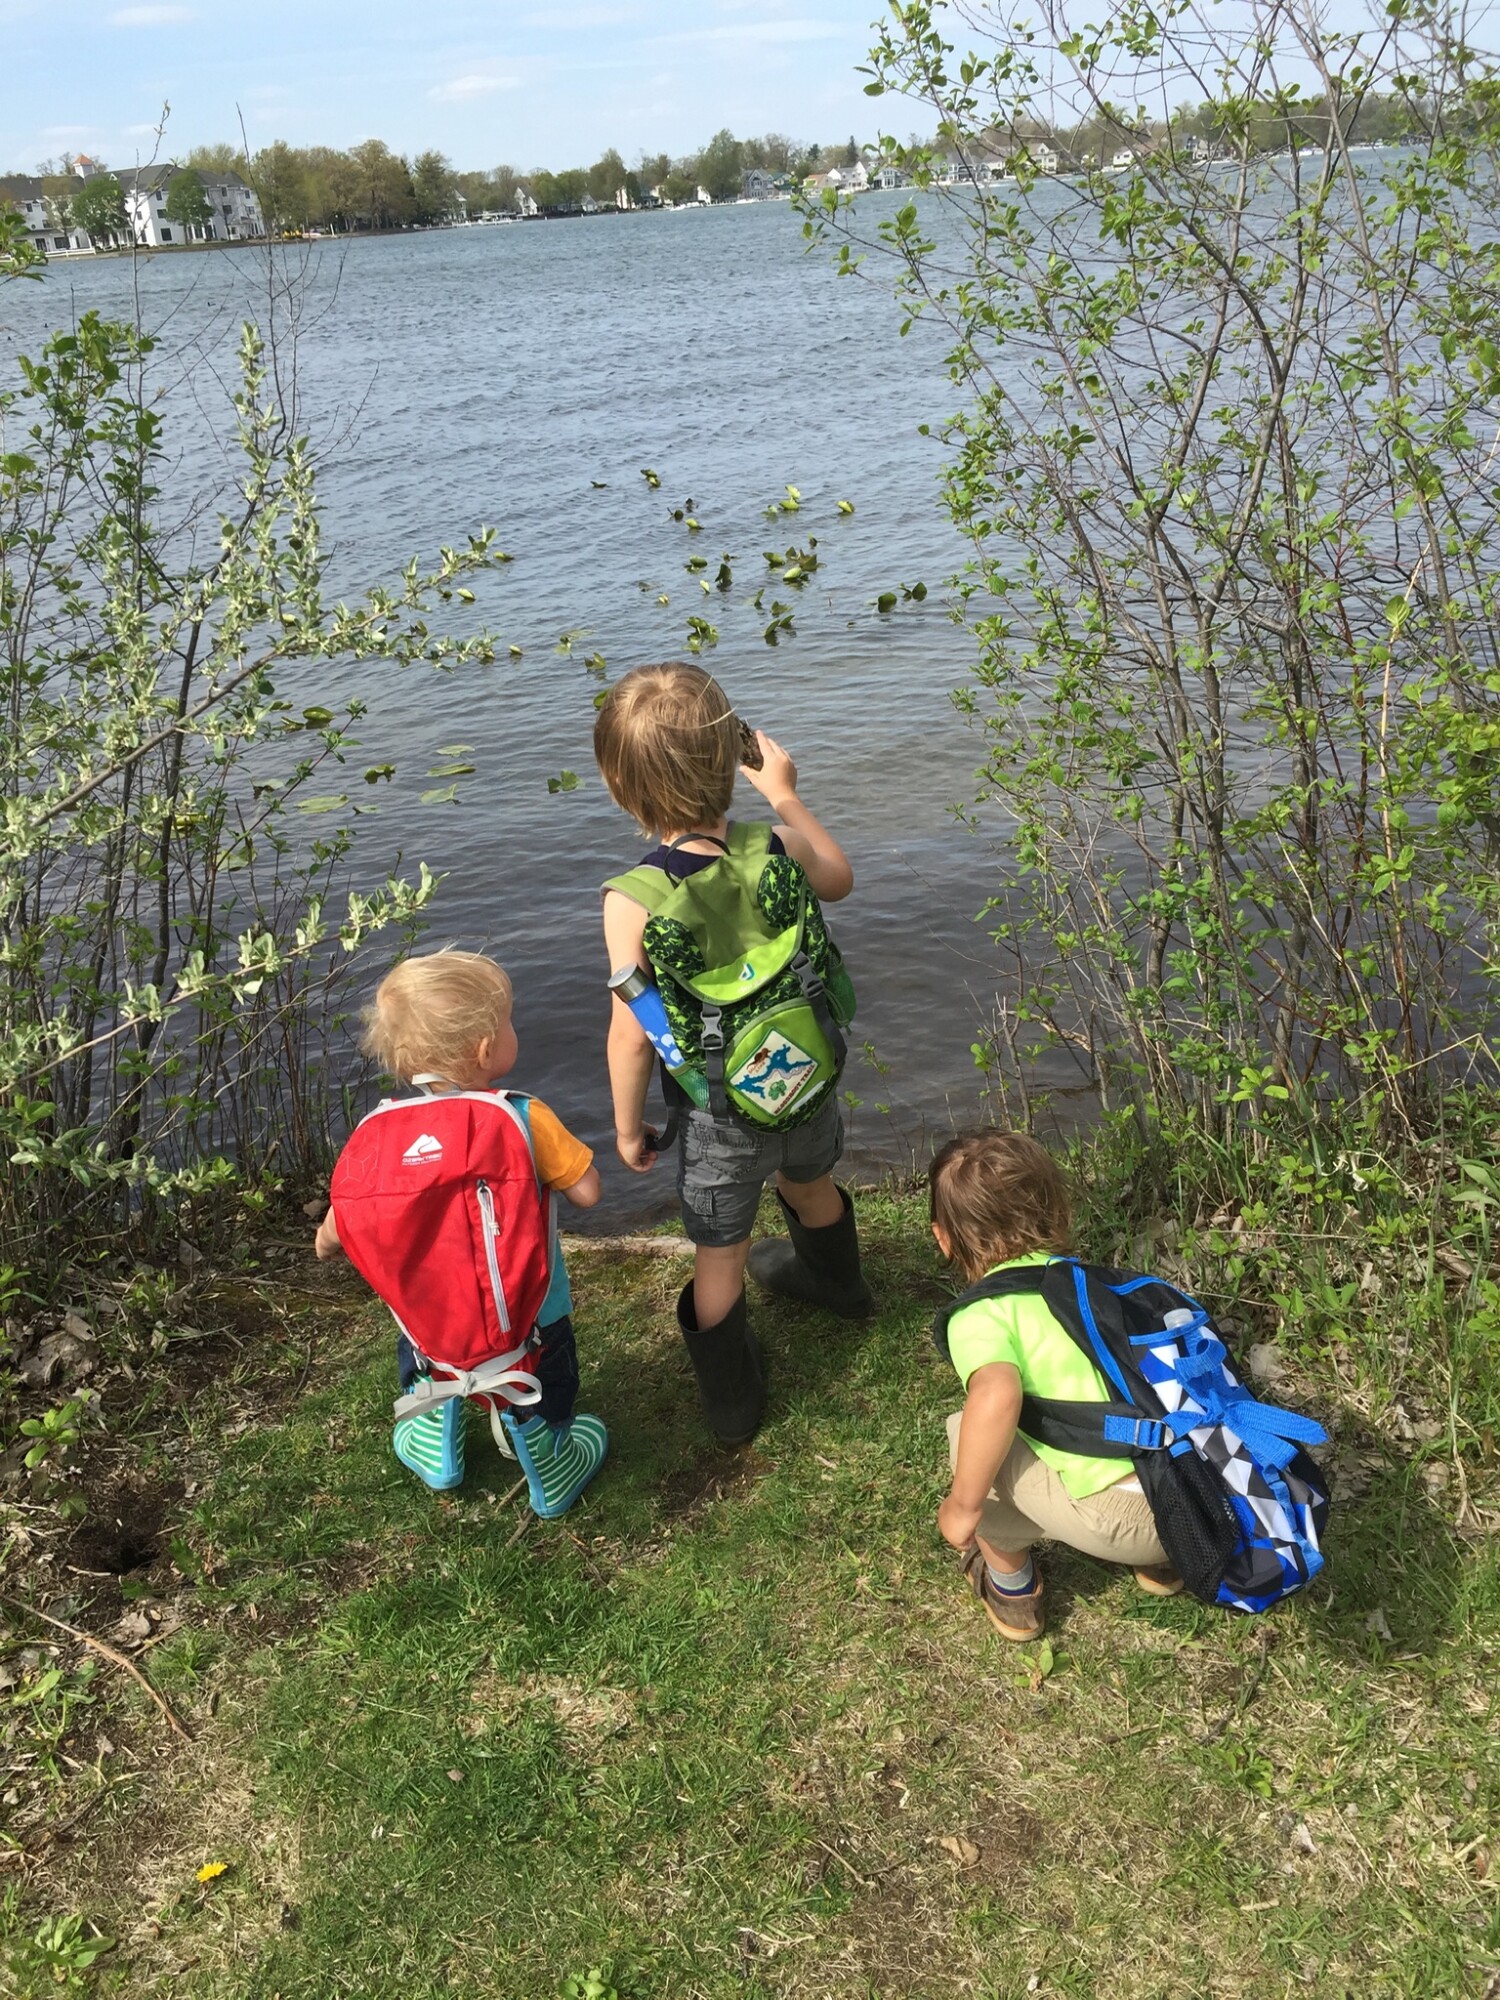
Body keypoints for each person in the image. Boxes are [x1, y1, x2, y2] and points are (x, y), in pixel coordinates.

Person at [594, 660, 872, 1446]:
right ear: (734, 759)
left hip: (717, 1112)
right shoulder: (776, 843)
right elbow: (841, 880)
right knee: (811, 1180)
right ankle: (839, 1284)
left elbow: (631, 1032)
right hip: (808, 1077)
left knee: (721, 1252)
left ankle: (732, 1401)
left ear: (619, 784)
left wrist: (624, 1129)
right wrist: (782, 793)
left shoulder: (632, 900)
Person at [314, 952, 608, 1517]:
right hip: (533, 1314)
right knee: (547, 1384)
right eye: (509, 1024)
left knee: (428, 1365)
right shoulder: (521, 1115)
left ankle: (435, 1447)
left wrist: (324, 1244)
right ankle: (550, 1458)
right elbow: (589, 1192)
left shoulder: (377, 1133)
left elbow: (337, 1227)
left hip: (427, 1323)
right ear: (483, 1049)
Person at [928, 1130, 1183, 1641]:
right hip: (1195, 1494)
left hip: (1124, 1521)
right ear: (1059, 1211)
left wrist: (963, 1507)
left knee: (969, 1433)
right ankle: (1168, 1564)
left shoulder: (983, 1314)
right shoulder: (1102, 1284)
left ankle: (1013, 1588)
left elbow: (997, 1396)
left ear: (944, 1238)